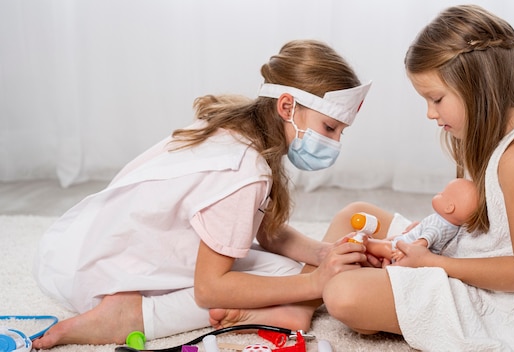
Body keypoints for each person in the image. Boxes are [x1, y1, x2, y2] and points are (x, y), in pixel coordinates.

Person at [32, 39, 372, 349]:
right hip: (108, 273)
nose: (334, 143)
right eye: (329, 128)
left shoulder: (236, 130)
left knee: (288, 272)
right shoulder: (245, 171)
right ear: (286, 107)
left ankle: (280, 312)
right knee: (290, 278)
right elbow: (210, 288)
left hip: (95, 249)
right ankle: (133, 314)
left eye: (340, 132)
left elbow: (266, 230)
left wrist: (326, 253)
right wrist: (316, 283)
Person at [322, 5, 514, 352]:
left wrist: (433, 264)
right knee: (351, 215)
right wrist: (432, 235)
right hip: (465, 259)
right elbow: (493, 228)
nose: (431, 113)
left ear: (477, 85)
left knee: (345, 294)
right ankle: (300, 297)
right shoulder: (501, 139)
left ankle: (328, 296)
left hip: (501, 303)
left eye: (436, 99)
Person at [364, 178, 478, 262]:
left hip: (404, 251)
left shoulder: (436, 228)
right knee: (391, 239)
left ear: (449, 208)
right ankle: (378, 248)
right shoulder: (452, 226)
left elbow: (421, 243)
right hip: (406, 240)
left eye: (442, 194)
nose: (439, 193)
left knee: (384, 247)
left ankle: (366, 244)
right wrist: (420, 226)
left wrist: (402, 252)